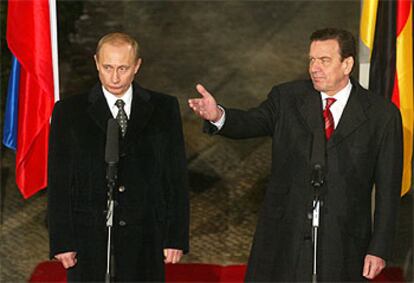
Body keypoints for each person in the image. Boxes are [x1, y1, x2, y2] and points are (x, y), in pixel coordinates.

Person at [188, 28, 403, 282]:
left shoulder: (382, 115)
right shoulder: (287, 98)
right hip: (285, 237)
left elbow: (389, 191)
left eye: (324, 60)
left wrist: (378, 249)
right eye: (312, 60)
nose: (314, 68)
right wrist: (218, 115)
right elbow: (251, 122)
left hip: (343, 242)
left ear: (347, 64)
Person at [48, 32, 189, 282]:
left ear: (137, 66)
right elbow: (59, 180)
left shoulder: (164, 108)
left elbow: (175, 176)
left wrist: (175, 236)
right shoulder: (69, 112)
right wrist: (62, 240)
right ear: (96, 63)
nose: (114, 77)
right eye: (107, 67)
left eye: (123, 68)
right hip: (88, 240)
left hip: (145, 237)